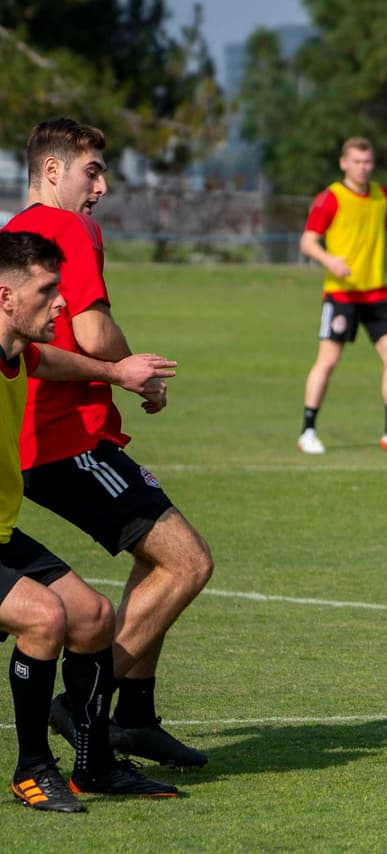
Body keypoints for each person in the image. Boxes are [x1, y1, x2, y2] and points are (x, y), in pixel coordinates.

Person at [2, 118, 213, 769]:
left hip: (32, 443)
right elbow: (93, 333)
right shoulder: (69, 230)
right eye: (92, 171)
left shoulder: (10, 236)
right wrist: (135, 376)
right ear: (54, 170)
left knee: (158, 564)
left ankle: (137, 717)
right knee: (186, 562)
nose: (102, 186)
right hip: (67, 437)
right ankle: (84, 704)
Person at [0, 230, 182, 810]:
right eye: (49, 291)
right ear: (7, 298)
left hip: (1, 534)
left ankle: (94, 765)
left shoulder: (17, 351)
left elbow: (47, 360)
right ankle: (32, 770)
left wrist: (114, 374)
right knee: (43, 619)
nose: (62, 303)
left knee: (95, 618)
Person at [296, 136, 387, 455]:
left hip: (377, 293)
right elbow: (308, 242)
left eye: (367, 162)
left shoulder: (382, 196)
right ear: (343, 163)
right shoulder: (330, 198)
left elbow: (386, 239)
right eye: (356, 161)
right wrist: (330, 261)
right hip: (342, 295)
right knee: (328, 361)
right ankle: (308, 431)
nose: (362, 167)